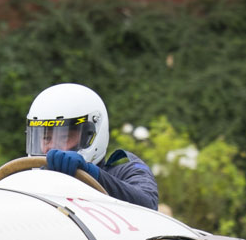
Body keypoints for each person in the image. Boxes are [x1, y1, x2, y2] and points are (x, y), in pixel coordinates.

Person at [25, 83, 159, 210]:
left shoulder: (127, 171)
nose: (52, 148)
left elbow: (148, 204)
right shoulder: (27, 182)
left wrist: (91, 174)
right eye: (46, 138)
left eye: (64, 137)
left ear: (90, 135)